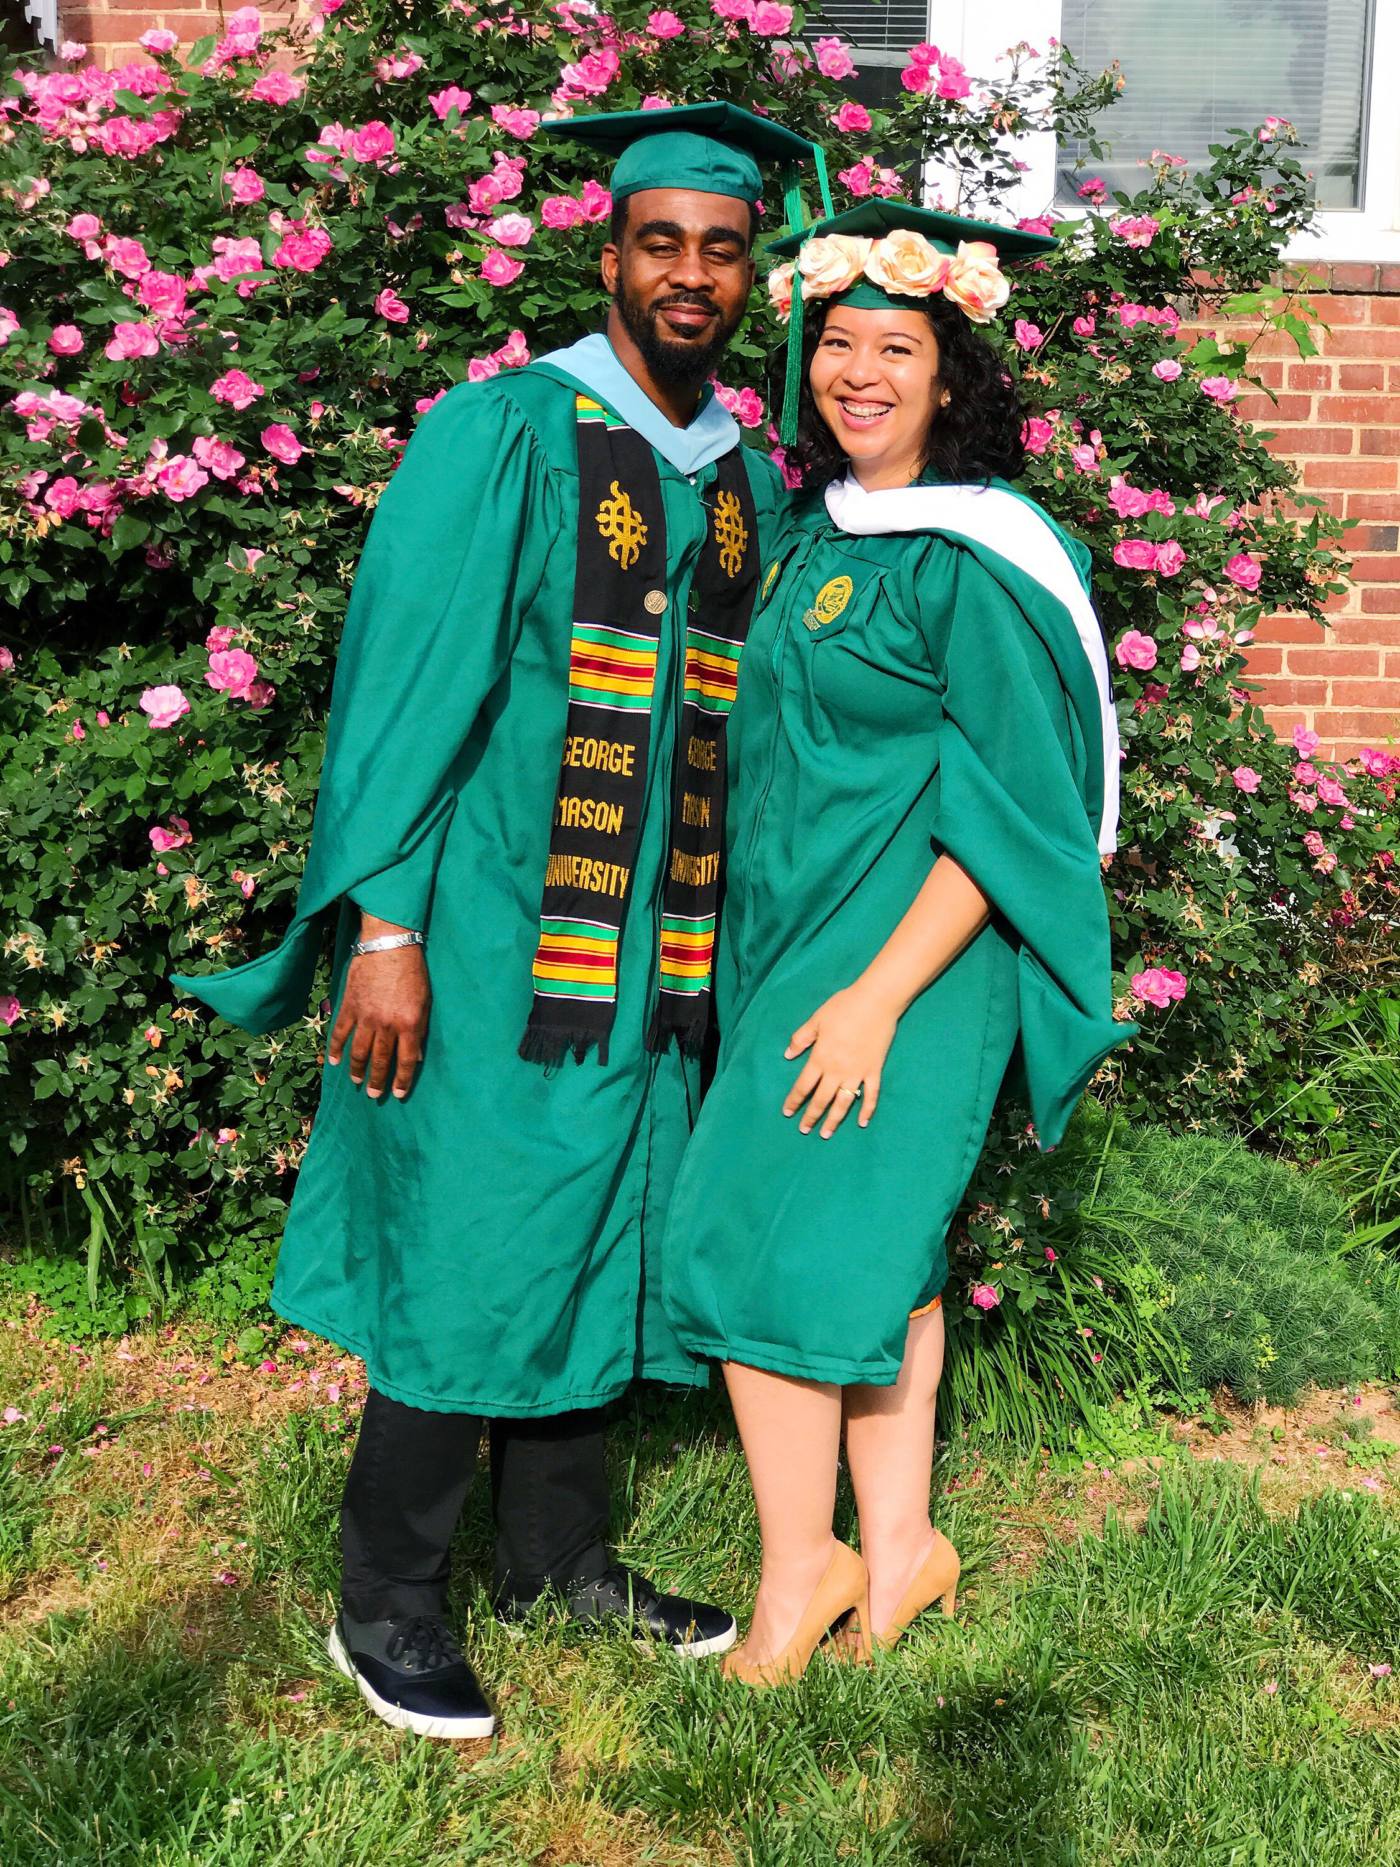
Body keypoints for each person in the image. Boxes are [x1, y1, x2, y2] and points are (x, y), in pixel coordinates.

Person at [171, 103, 822, 1740]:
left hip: (653, 949)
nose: (690, 273)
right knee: (475, 1243)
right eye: (659, 241)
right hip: (487, 939)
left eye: (723, 248)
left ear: (750, 273)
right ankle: (385, 1600)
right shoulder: (504, 431)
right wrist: (384, 928)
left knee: (604, 1223)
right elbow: (406, 689)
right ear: (607, 255)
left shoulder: (742, 471)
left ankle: (560, 1561)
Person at [661, 200, 1137, 1685]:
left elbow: (1011, 814)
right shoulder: (814, 531)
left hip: (915, 965)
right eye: (839, 345)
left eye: (898, 350)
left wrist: (875, 996)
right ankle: (904, 1544)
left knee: (773, 1245)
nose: (859, 374)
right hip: (797, 942)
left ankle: (802, 1575)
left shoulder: (979, 558)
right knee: (882, 1255)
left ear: (952, 378)